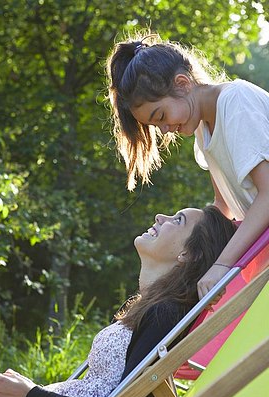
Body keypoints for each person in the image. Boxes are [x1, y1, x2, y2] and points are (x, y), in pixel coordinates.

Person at [0, 206, 236, 397]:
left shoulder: (166, 314)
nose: (161, 217)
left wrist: (30, 395)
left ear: (188, 254)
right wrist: (29, 396)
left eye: (178, 220)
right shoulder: (157, 308)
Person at [106, 33, 269, 299]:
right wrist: (187, 257)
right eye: (155, 126)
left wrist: (222, 265)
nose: (165, 129)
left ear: (182, 84)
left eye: (161, 116)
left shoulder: (235, 103)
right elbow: (223, 208)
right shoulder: (204, 129)